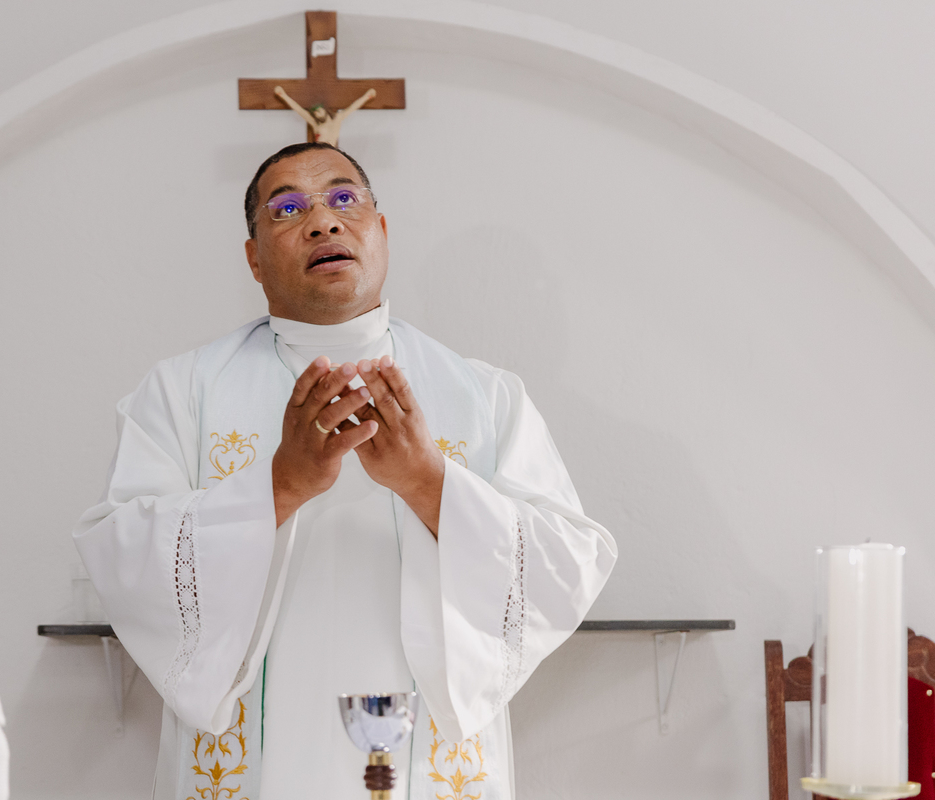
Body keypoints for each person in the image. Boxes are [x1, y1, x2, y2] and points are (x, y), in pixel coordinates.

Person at [73, 142, 617, 800]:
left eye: (343, 199)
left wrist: (428, 482)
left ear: (381, 233)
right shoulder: (182, 393)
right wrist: (277, 487)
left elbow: (570, 563)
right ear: (252, 258)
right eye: (287, 209)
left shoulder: (485, 395)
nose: (323, 222)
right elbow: (119, 555)